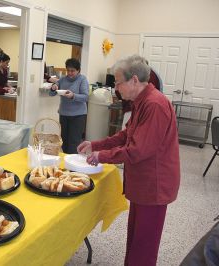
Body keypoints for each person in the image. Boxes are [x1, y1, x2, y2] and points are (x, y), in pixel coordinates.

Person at [77, 55, 180, 266]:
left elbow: (137, 150)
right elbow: (126, 135)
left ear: (134, 80)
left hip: (154, 186)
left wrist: (101, 156)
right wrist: (95, 145)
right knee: (135, 238)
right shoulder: (141, 101)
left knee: (144, 245)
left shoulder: (155, 105)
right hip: (143, 184)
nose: (116, 88)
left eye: (117, 82)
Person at [50, 58, 88, 154]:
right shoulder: (62, 79)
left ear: (78, 70)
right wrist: (53, 88)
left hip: (78, 115)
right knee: (64, 141)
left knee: (74, 142)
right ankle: (65, 162)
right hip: (64, 114)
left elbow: (85, 97)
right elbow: (52, 94)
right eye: (68, 70)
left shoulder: (82, 79)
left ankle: (72, 165)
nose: (70, 73)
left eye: (73, 71)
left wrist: (73, 96)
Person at [116, 60, 163, 129]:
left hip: (131, 108)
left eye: (119, 83)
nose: (116, 88)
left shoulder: (153, 104)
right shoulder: (155, 75)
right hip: (133, 107)